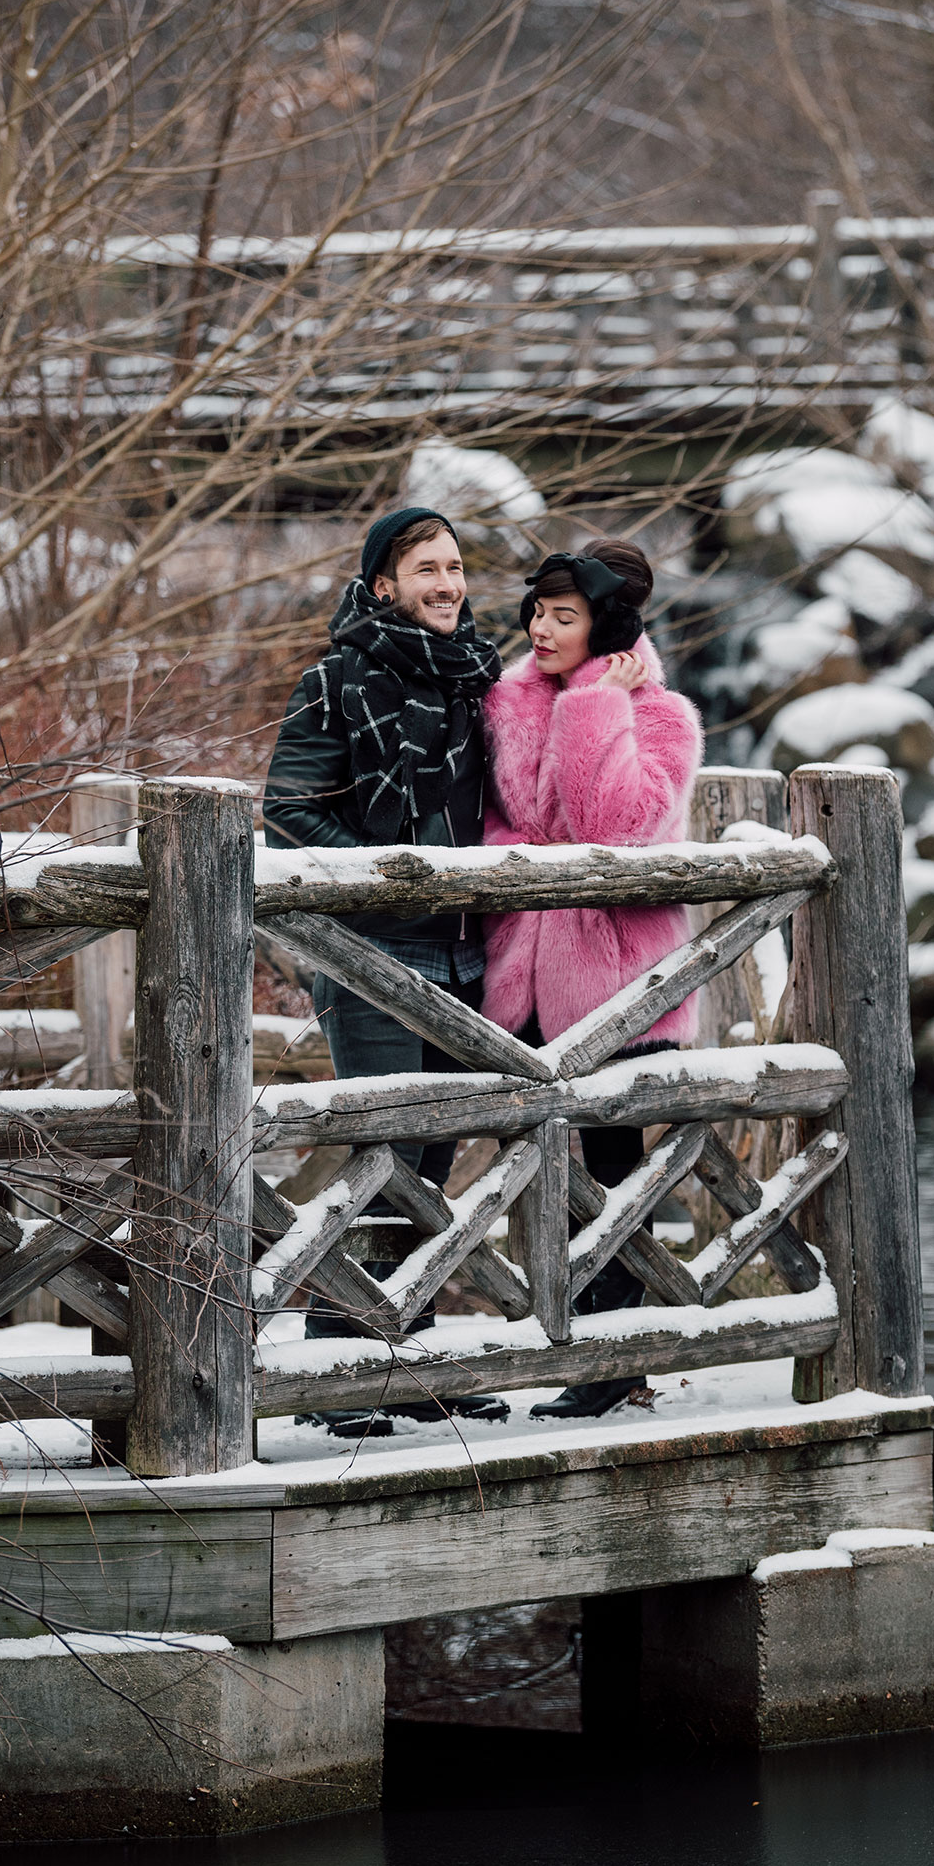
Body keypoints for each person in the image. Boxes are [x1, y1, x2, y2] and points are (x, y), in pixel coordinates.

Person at [263, 506, 507, 1435]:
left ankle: (408, 1361)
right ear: (383, 586)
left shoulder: (478, 681)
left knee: (432, 1167)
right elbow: (287, 810)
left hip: (463, 951)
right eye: (426, 569)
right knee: (383, 1157)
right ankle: (341, 1369)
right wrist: (391, 875)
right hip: (370, 952)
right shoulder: (336, 680)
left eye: (454, 568)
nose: (447, 584)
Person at [480, 538, 704, 1420]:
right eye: (536, 611)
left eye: (563, 616)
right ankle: (548, 1340)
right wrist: (522, 862)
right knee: (528, 1167)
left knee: (614, 1170)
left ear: (605, 630)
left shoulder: (661, 717)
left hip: (620, 986)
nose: (540, 627)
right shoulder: (506, 706)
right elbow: (491, 826)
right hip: (523, 976)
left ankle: (616, 1364)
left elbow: (620, 824)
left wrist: (592, 710)